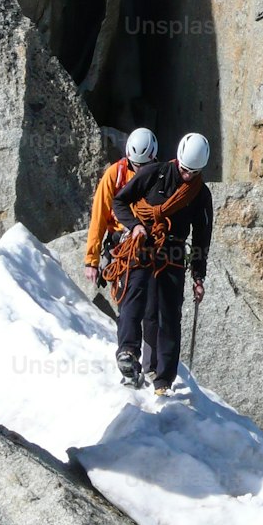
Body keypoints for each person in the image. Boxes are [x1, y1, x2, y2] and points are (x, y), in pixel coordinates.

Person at [107, 131, 213, 395]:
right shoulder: (154, 174)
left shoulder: (200, 194)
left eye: (194, 172)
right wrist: (133, 227)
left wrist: (198, 277)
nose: (188, 176)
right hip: (143, 244)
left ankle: (163, 378)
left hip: (174, 252)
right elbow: (119, 201)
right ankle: (128, 352)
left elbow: (202, 237)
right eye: (186, 170)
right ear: (178, 161)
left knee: (169, 314)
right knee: (134, 295)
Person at [84, 127, 161, 373]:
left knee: (153, 307)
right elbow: (99, 216)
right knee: (129, 301)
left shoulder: (161, 175)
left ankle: (151, 365)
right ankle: (128, 353)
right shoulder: (114, 175)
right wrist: (92, 260)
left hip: (153, 246)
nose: (138, 170)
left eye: (142, 165)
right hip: (123, 247)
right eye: (134, 164)